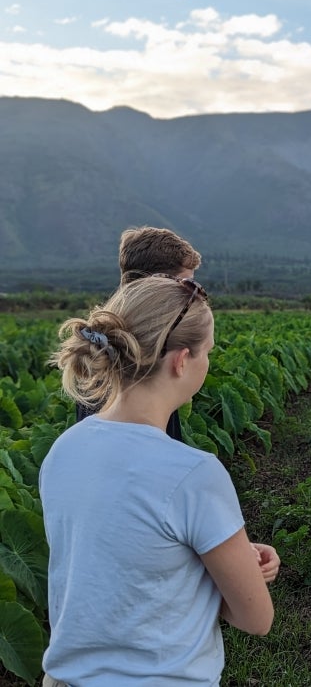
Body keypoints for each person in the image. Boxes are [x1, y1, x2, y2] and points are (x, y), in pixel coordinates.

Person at [40, 274, 279, 687]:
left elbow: (109, 560)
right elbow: (256, 618)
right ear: (181, 360)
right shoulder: (193, 473)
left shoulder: (64, 448)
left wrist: (214, 554)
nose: (208, 362)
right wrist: (234, 568)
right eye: (208, 352)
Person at [75, 225, 203, 441]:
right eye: (186, 285)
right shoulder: (133, 347)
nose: (191, 296)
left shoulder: (101, 337)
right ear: (156, 286)